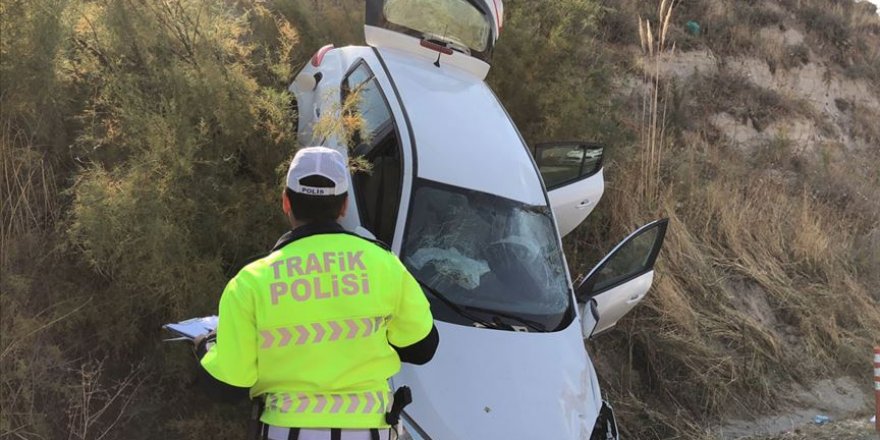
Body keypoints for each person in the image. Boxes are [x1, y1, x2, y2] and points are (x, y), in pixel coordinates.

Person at [195, 146, 439, 440]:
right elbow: (422, 348)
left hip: (285, 432)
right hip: (369, 430)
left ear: (286, 202)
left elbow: (228, 384)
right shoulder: (384, 265)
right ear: (344, 205)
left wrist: (206, 345)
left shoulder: (251, 281)